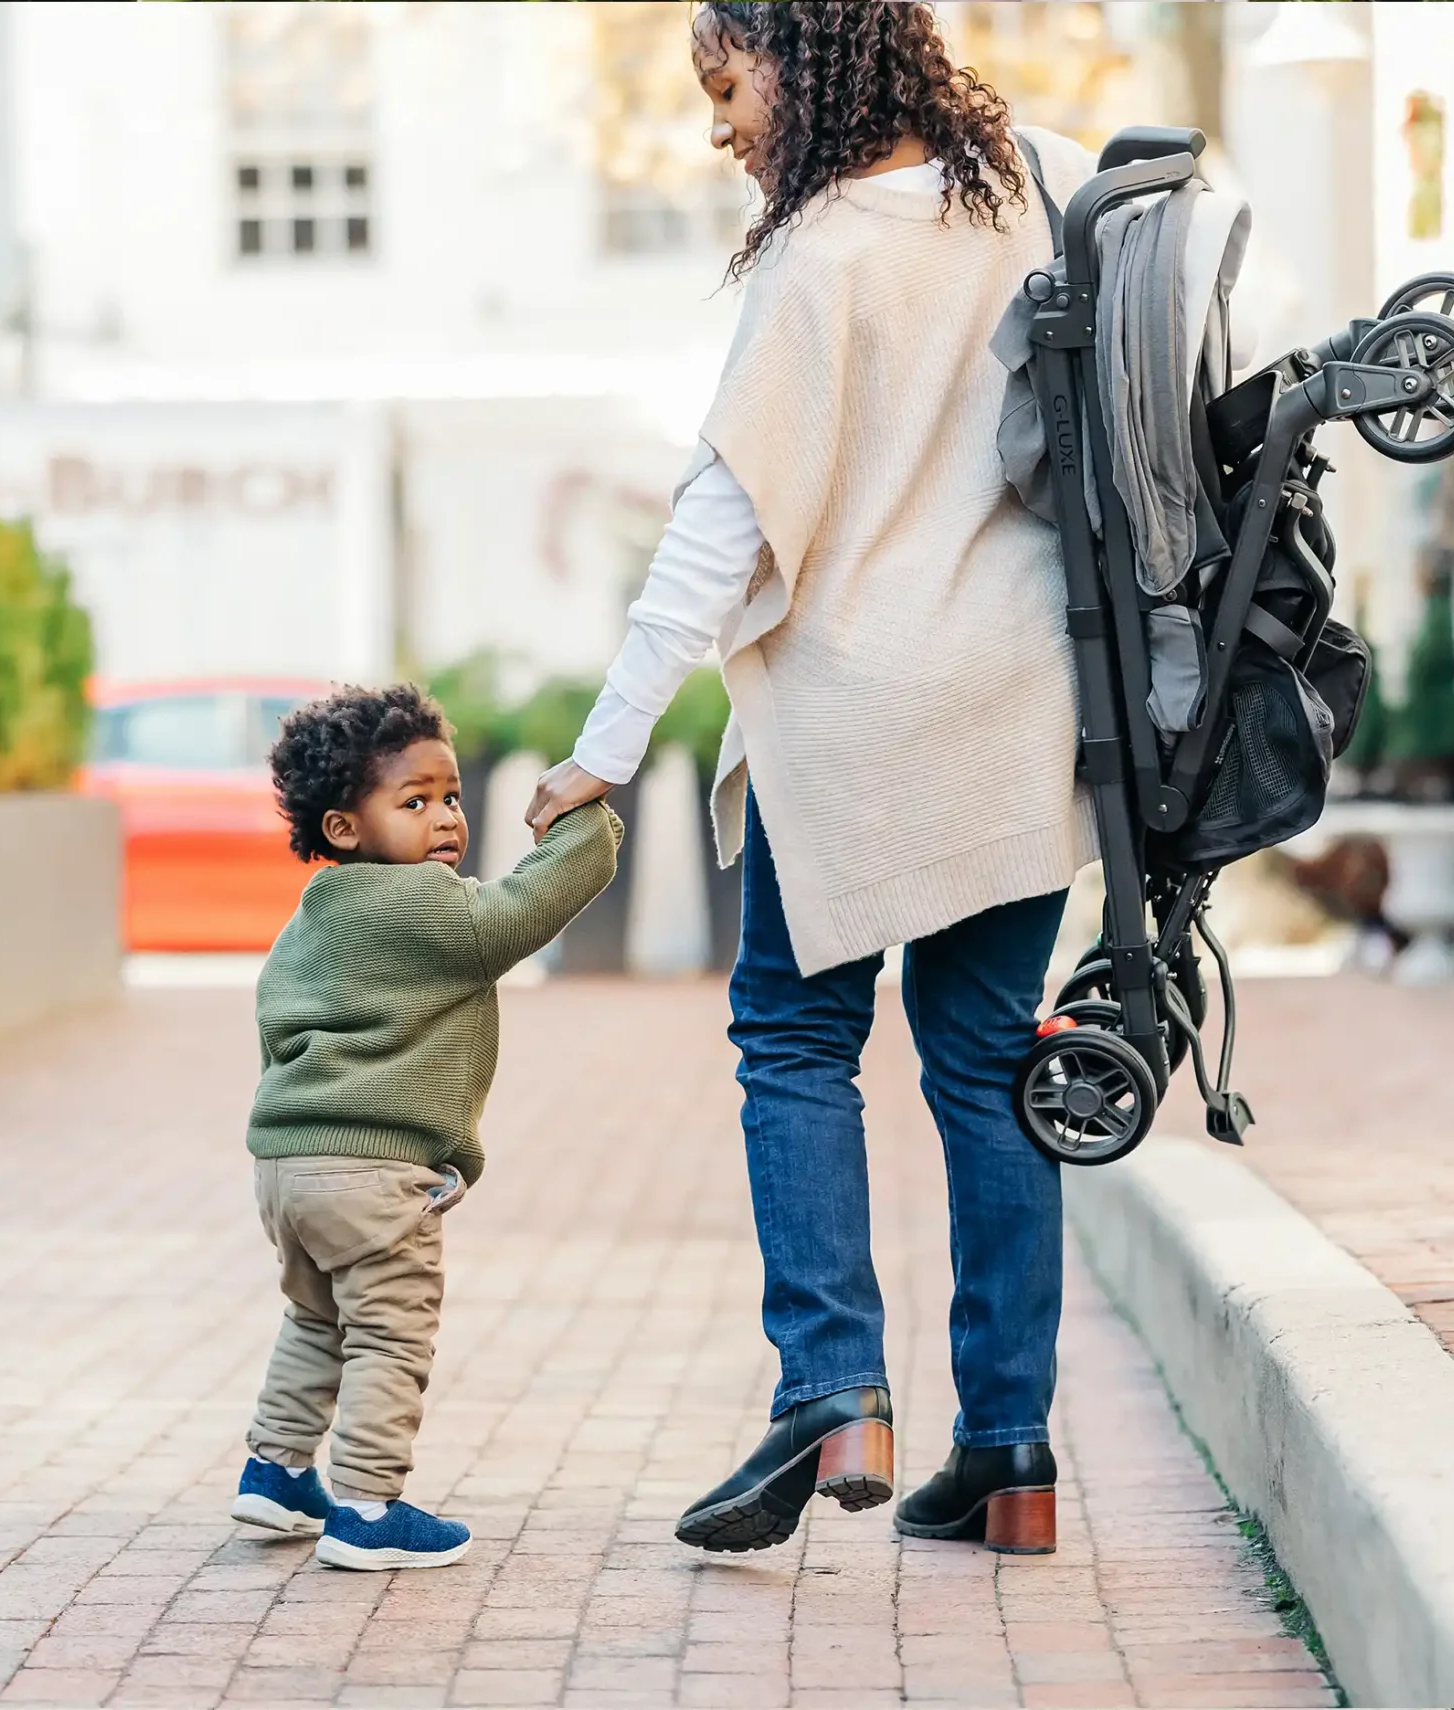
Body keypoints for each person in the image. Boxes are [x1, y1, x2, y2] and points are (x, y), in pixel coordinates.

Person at [526, 2, 1096, 1556]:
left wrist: (606, 743)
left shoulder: (825, 252)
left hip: (855, 714)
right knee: (991, 1067)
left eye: (727, 84)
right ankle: (1014, 1447)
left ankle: (834, 1386)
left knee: (794, 1034)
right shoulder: (1032, 193)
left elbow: (726, 520)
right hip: (1020, 711)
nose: (720, 125)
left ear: (804, 54)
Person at [235, 685, 620, 1570]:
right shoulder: (418, 906)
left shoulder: (312, 921)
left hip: (288, 1167)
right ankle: (368, 1507)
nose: (446, 819)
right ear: (343, 828)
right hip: (372, 1172)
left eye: (450, 797)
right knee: (390, 1332)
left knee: (317, 1315)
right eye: (414, 802)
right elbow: (519, 913)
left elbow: (274, 1029)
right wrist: (587, 823)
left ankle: (278, 1470)